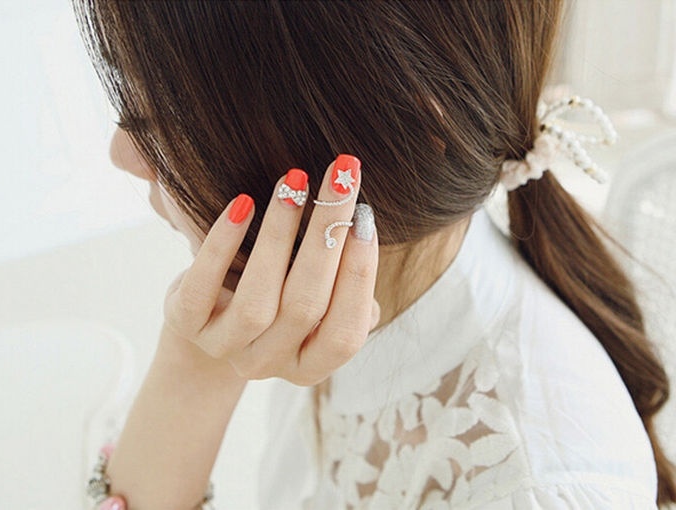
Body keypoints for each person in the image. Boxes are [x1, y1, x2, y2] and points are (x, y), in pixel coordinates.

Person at [74, 1, 676, 508]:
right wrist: (196, 360)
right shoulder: (337, 284)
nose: (123, 156)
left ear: (400, 125)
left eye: (168, 112)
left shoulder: (540, 487)